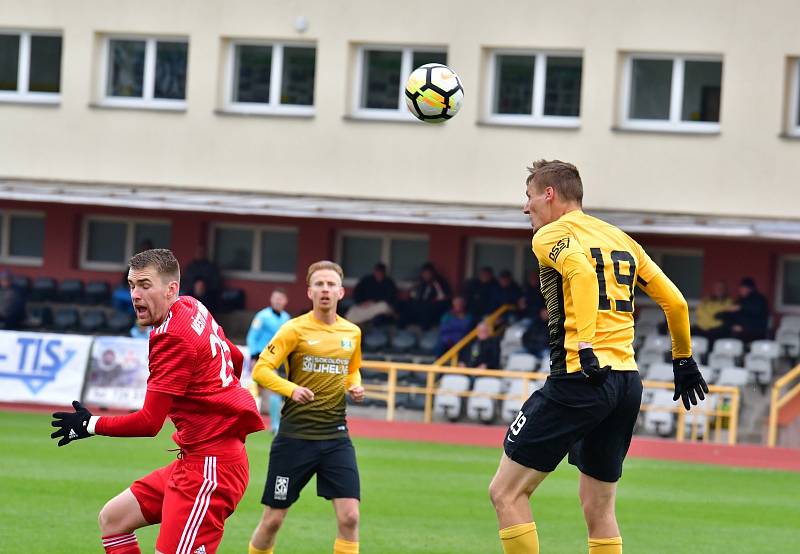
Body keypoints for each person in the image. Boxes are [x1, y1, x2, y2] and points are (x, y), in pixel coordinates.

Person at [488, 160, 708, 554]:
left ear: (549, 194)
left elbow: (583, 276)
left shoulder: (550, 234)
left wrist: (586, 346)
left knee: (505, 493)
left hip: (581, 376)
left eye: (529, 196)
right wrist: (683, 358)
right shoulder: (622, 239)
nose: (526, 208)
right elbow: (675, 302)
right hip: (626, 382)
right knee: (599, 507)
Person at [50, 248, 265, 554]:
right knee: (113, 519)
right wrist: (219, 398)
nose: (135, 295)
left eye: (145, 285)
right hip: (197, 461)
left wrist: (89, 425)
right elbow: (235, 356)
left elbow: (150, 422)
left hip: (209, 470)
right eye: (131, 285)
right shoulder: (193, 306)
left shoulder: (172, 337)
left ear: (171, 288)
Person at [248, 261, 365, 554]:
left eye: (330, 285)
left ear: (340, 292)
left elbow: (353, 370)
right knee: (273, 520)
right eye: (319, 284)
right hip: (294, 440)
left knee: (350, 517)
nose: (325, 290)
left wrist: (355, 385)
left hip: (336, 438)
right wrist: (291, 389)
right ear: (309, 291)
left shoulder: (352, 333)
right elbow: (261, 370)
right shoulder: (293, 330)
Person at [246, 288, 291, 434]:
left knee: (272, 391)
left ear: (285, 301)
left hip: (275, 361)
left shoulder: (286, 318)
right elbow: (252, 336)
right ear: (271, 300)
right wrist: (253, 356)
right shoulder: (262, 316)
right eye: (275, 298)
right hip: (261, 358)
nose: (278, 301)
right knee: (255, 391)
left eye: (280, 299)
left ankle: (274, 424)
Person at [720, 277, 769, 343]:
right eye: (740, 288)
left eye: (742, 288)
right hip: (738, 331)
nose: (740, 290)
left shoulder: (759, 299)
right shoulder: (740, 300)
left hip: (755, 332)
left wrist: (740, 308)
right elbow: (731, 314)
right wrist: (730, 323)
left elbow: (756, 311)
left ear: (750, 289)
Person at [403, 262, 451, 329]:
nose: (425, 275)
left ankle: (424, 329)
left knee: (426, 308)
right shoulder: (420, 282)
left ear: (432, 273)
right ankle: (403, 329)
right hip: (421, 304)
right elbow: (413, 296)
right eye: (424, 273)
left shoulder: (439, 281)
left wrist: (430, 301)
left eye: (428, 273)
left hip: (435, 305)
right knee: (405, 305)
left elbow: (443, 297)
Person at [182, 246, 223, 312]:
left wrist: (204, 286)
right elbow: (185, 282)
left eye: (201, 252)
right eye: (198, 252)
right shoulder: (190, 267)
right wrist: (195, 287)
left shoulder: (211, 267)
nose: (200, 254)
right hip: (192, 294)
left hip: (208, 296)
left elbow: (216, 284)